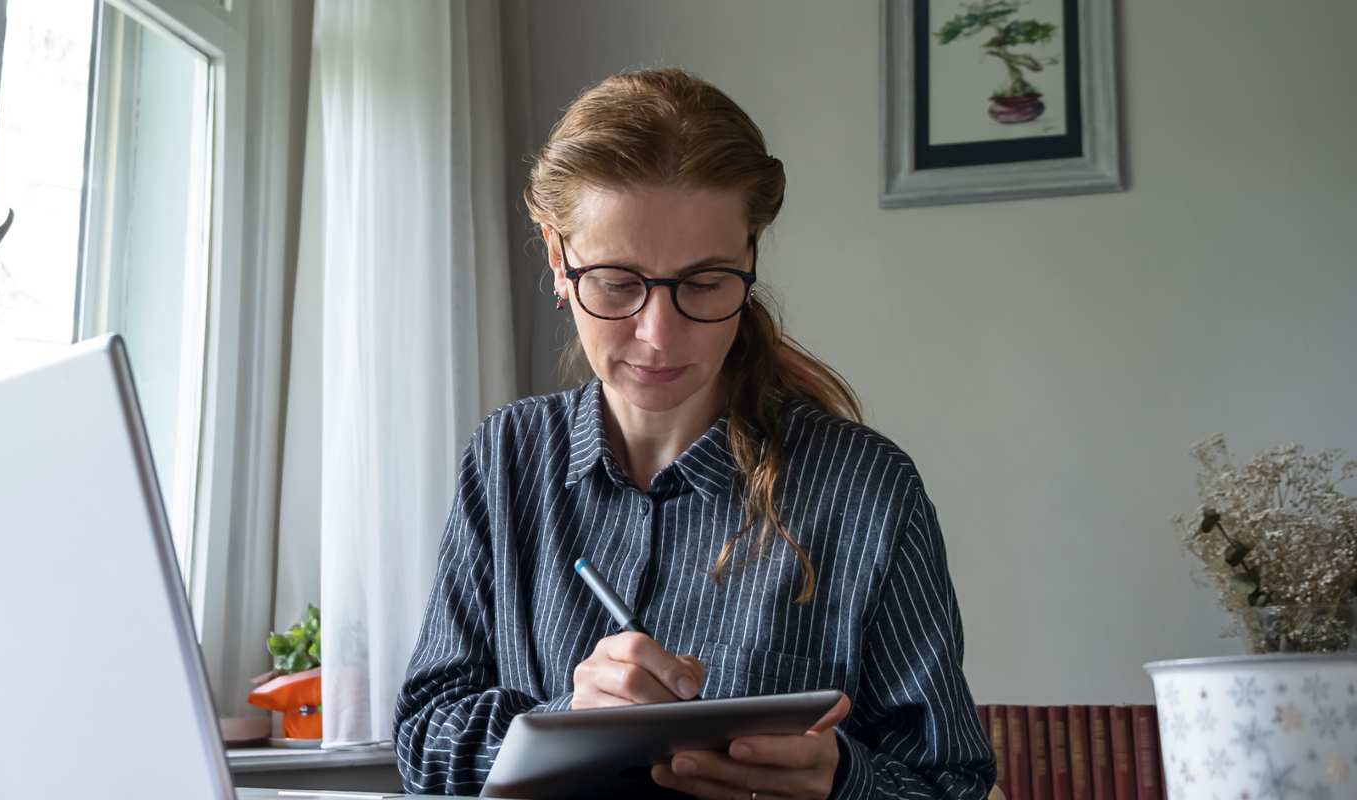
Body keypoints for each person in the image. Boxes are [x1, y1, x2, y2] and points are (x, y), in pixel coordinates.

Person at [391, 68, 997, 799]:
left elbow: (954, 785)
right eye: (617, 283)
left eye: (705, 283)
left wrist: (844, 781)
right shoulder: (507, 458)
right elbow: (425, 741)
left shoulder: (866, 488)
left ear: (749, 260)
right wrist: (569, 719)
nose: (658, 335)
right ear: (558, 260)